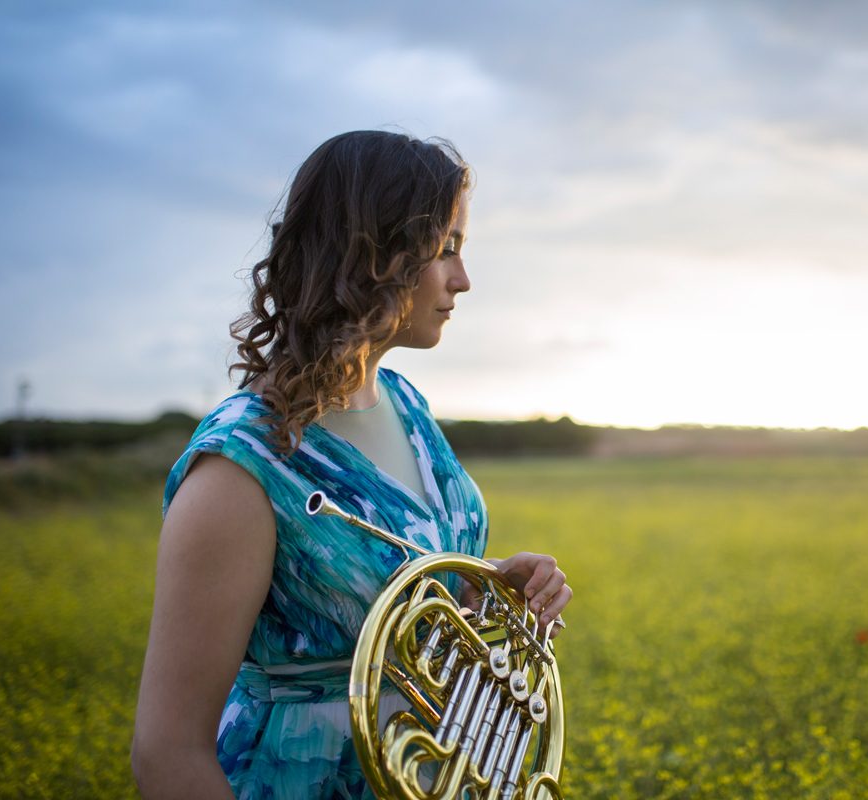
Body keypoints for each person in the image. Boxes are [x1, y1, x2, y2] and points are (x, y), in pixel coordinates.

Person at [132, 130, 573, 799]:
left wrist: (487, 587)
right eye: (447, 248)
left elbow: (398, 577)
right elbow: (166, 754)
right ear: (377, 253)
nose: (463, 278)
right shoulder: (241, 466)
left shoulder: (406, 405)